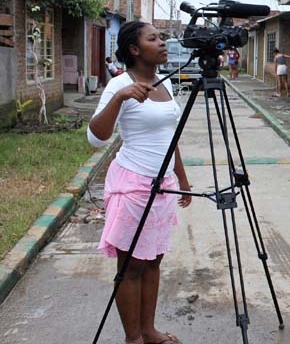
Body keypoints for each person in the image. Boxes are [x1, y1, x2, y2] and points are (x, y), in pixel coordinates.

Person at [88, 21, 190, 344]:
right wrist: (120, 98)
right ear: (134, 49)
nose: (162, 43)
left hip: (164, 187)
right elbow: (96, 138)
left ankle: (149, 330)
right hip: (132, 187)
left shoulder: (166, 84)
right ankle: (133, 338)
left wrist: (182, 178)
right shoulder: (119, 84)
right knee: (131, 265)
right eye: (154, 38)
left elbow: (170, 136)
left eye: (161, 37)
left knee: (154, 260)